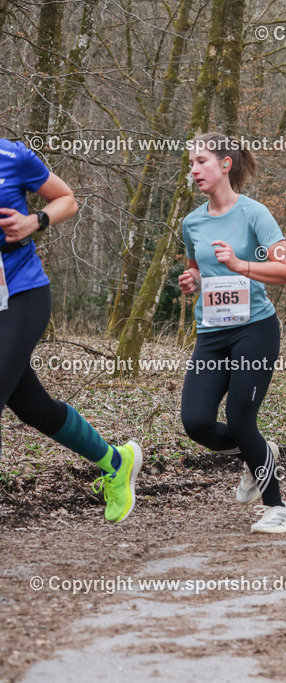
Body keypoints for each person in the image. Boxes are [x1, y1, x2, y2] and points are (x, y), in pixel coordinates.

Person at [0, 139, 142, 522]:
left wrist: (35, 221)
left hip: (21, 294)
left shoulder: (12, 157)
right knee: (33, 407)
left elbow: (66, 199)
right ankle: (117, 462)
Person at [177, 132, 286, 533]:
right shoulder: (191, 222)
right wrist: (192, 279)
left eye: (201, 162)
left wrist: (242, 266)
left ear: (225, 164)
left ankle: (277, 507)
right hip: (211, 333)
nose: (193, 170)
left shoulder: (254, 213)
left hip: (255, 329)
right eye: (191, 163)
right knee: (195, 422)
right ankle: (260, 452)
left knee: (240, 416)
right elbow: (197, 266)